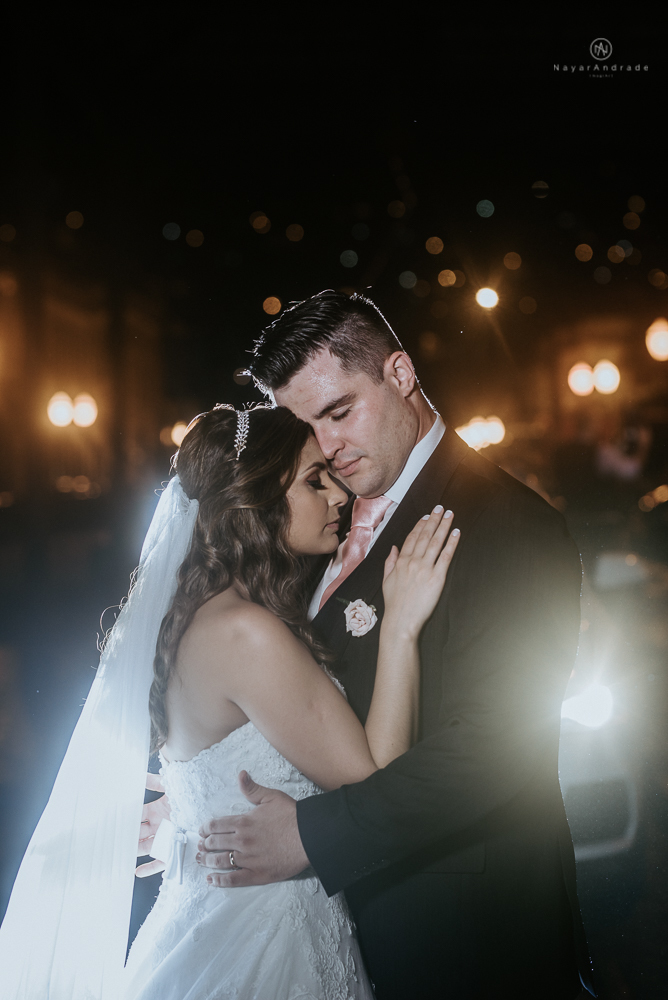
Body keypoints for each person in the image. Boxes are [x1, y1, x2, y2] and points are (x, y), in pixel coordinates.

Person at [183, 291, 595, 999]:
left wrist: (312, 837)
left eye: (340, 412)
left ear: (400, 374)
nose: (327, 445)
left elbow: (496, 748)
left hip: (466, 934)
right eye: (307, 425)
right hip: (341, 932)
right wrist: (199, 796)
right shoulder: (312, 521)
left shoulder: (509, 526)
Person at [0, 402, 460, 1000]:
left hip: (215, 919)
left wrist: (184, 829)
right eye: (313, 481)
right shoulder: (245, 631)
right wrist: (401, 626)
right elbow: (379, 784)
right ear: (257, 502)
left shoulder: (198, 616)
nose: (339, 496)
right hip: (263, 940)